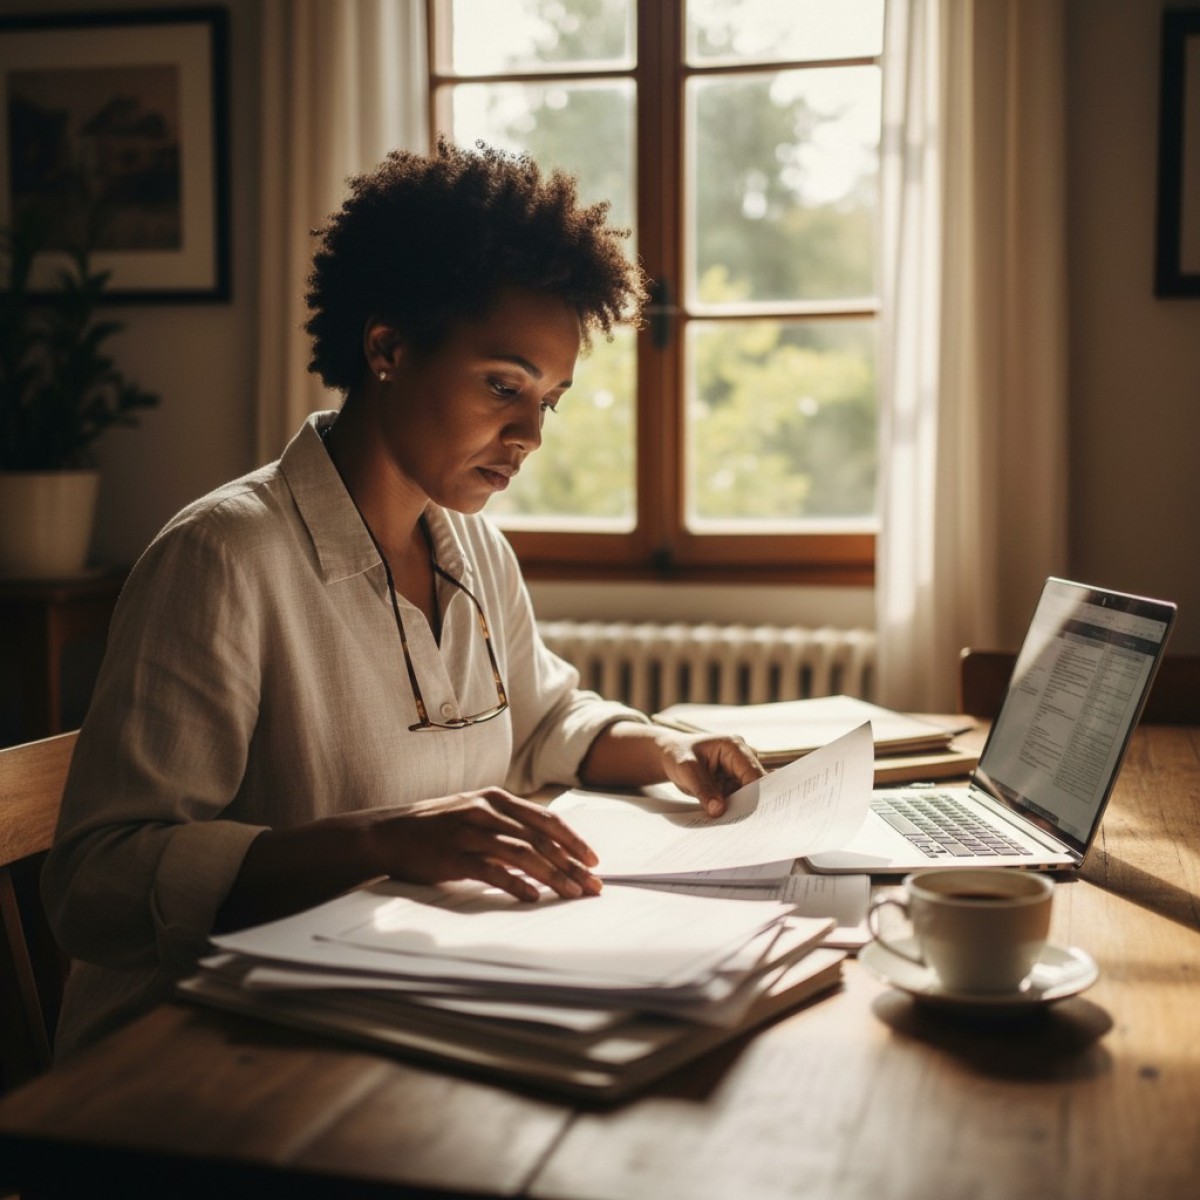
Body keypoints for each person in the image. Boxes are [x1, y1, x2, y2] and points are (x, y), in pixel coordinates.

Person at [42, 139, 765, 1057]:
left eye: (551, 398)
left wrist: (668, 746)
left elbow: (545, 723)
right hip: (193, 1062)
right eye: (504, 385)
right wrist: (378, 841)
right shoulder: (222, 558)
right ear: (385, 347)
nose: (531, 433)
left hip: (387, 1018)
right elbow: (94, 886)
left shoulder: (475, 548)